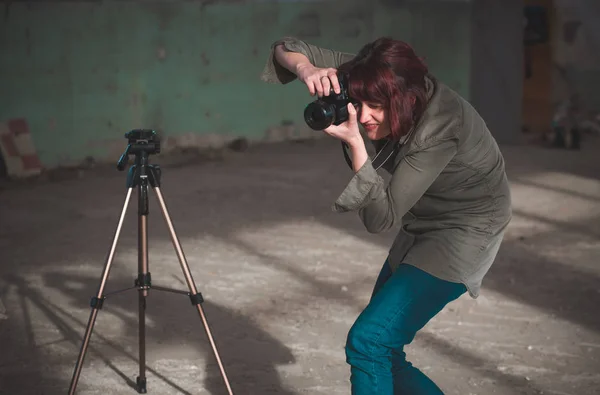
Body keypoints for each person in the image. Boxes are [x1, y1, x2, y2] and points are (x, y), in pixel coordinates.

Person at [260, 36, 512, 395]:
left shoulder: (442, 126)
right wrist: (307, 69)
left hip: (466, 227)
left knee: (369, 342)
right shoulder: (373, 75)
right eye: (359, 103)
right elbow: (284, 47)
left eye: (375, 106)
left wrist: (356, 144)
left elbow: (381, 218)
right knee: (384, 348)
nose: (363, 116)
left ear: (405, 99)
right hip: (423, 214)